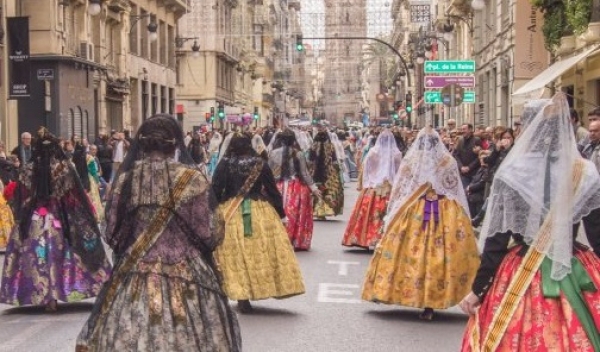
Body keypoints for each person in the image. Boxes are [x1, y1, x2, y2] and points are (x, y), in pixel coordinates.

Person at [76, 114, 241, 352]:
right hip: (187, 270)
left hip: (136, 269)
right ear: (175, 145)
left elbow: (112, 229)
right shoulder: (192, 179)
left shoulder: (126, 180)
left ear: (142, 144)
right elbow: (208, 232)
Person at [459, 94, 600, 351]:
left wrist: (478, 289)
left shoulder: (513, 173)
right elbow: (597, 232)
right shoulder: (585, 171)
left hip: (522, 269)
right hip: (572, 264)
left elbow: (496, 242)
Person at [362, 127, 480, 320]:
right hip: (445, 211)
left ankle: (403, 292)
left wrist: (391, 215)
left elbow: (402, 190)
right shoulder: (446, 161)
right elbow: (454, 189)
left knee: (410, 252)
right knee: (442, 254)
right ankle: (433, 300)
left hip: (416, 209)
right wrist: (464, 216)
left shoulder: (412, 161)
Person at [0, 127, 111, 312]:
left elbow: (21, 195)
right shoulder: (64, 169)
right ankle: (61, 289)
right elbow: (73, 195)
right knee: (63, 251)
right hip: (60, 217)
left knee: (35, 252)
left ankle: (42, 292)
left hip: (35, 218)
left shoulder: (28, 170)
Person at [212, 132, 305, 313]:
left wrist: (213, 211)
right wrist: (281, 214)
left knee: (237, 255)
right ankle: (259, 286)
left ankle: (242, 294)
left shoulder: (225, 164)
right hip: (259, 211)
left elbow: (215, 189)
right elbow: (272, 190)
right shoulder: (260, 164)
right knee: (259, 252)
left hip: (231, 212)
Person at [342, 129, 402, 249]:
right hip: (389, 187)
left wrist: (366, 184)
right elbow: (399, 172)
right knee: (385, 214)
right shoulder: (396, 154)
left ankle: (366, 238)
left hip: (372, 187)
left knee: (368, 214)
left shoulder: (373, 152)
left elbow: (366, 170)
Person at [268, 129, 321, 250]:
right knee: (296, 215)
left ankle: (278, 238)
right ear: (294, 140)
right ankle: (295, 239)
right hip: (296, 189)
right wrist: (314, 188)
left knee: (277, 212)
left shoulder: (273, 153)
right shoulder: (299, 154)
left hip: (278, 187)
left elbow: (269, 172)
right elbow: (304, 173)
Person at [309, 126, 344, 219]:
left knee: (316, 189)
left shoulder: (313, 145)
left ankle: (316, 209)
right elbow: (334, 159)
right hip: (327, 172)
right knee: (327, 190)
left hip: (315, 172)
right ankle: (324, 210)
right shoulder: (330, 145)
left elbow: (310, 159)